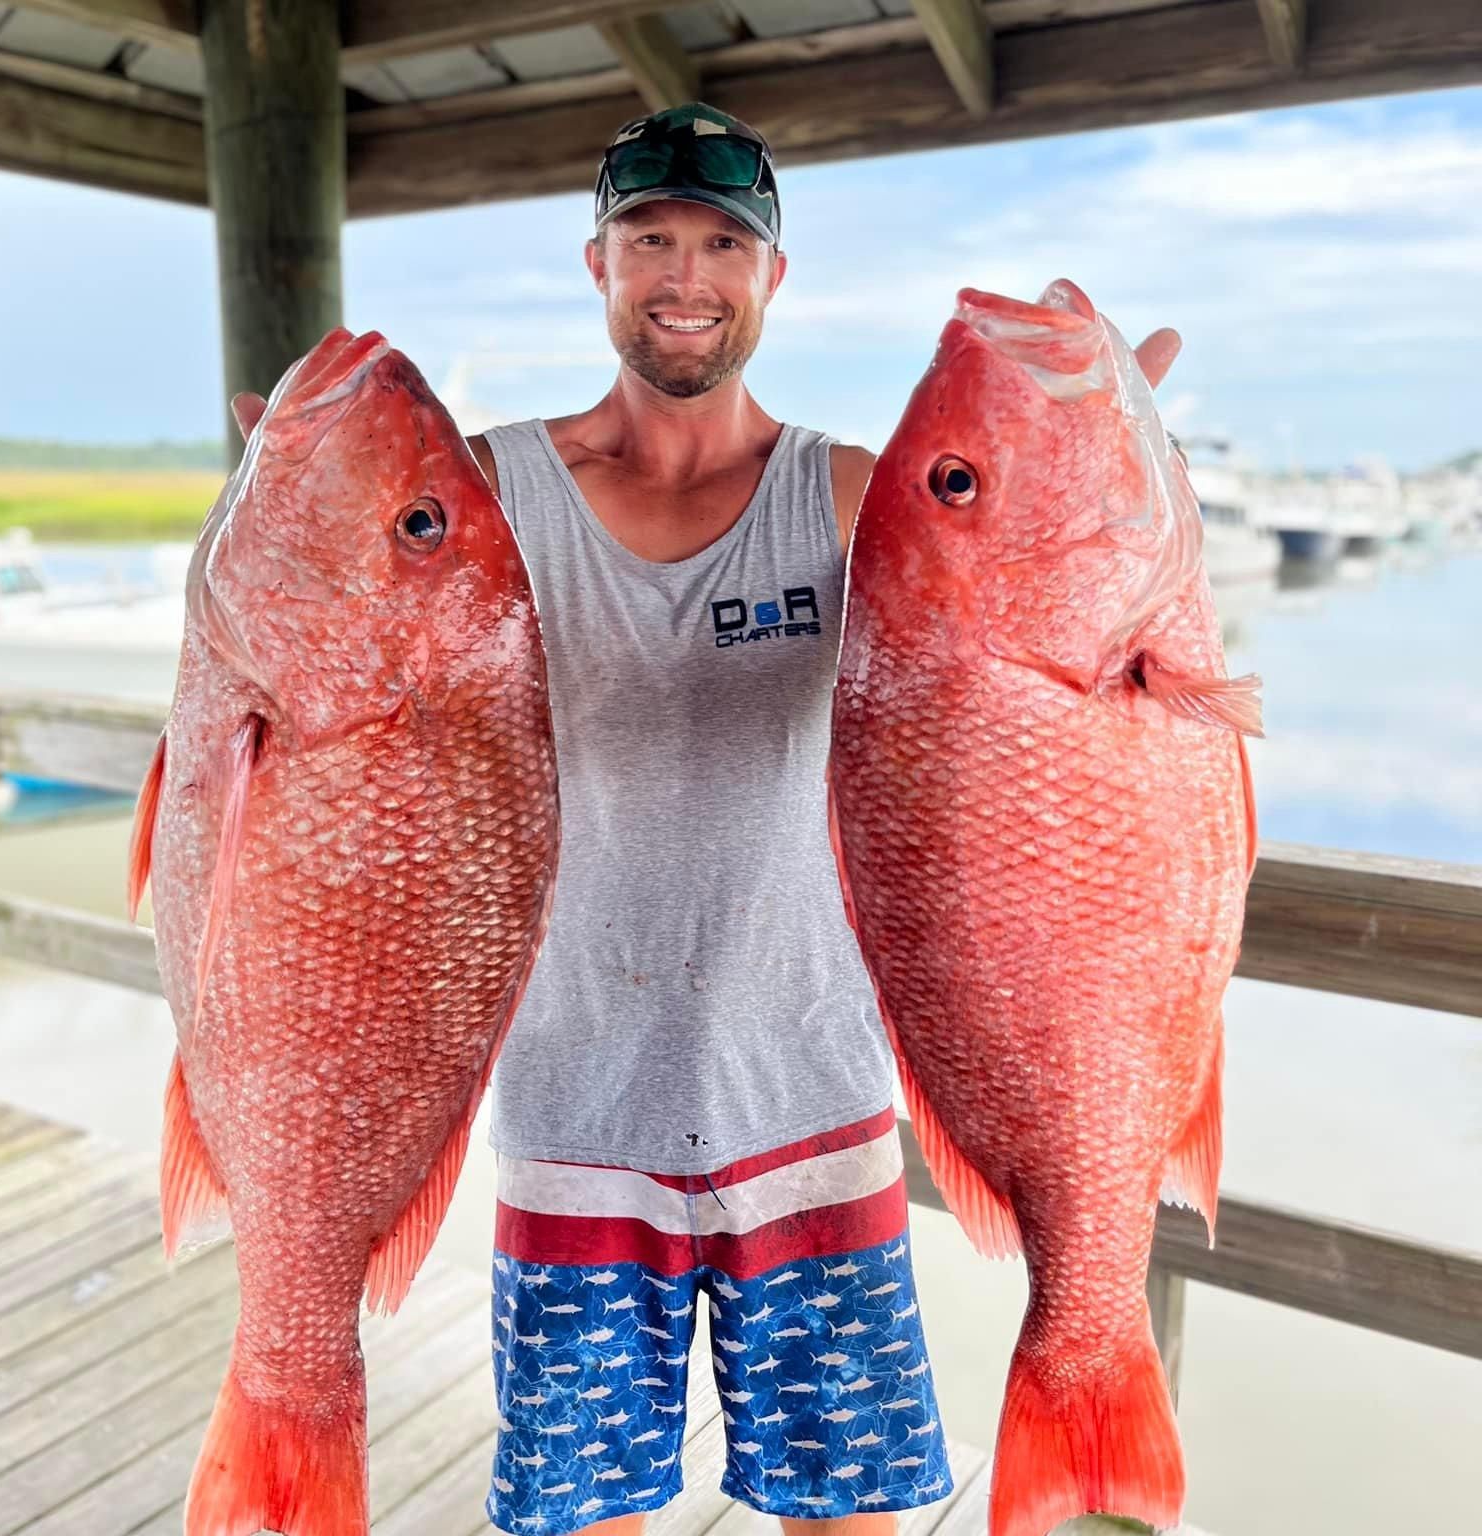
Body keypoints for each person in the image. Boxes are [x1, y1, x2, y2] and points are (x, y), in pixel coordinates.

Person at [466, 103, 952, 1536]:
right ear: (597, 265)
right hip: (572, 1110)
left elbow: (1027, 675)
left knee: (850, 1516)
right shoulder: (488, 494)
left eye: (723, 243)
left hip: (810, 1101)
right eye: (650, 241)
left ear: (774, 276)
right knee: (578, 1519)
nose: (686, 275)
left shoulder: (854, 495)